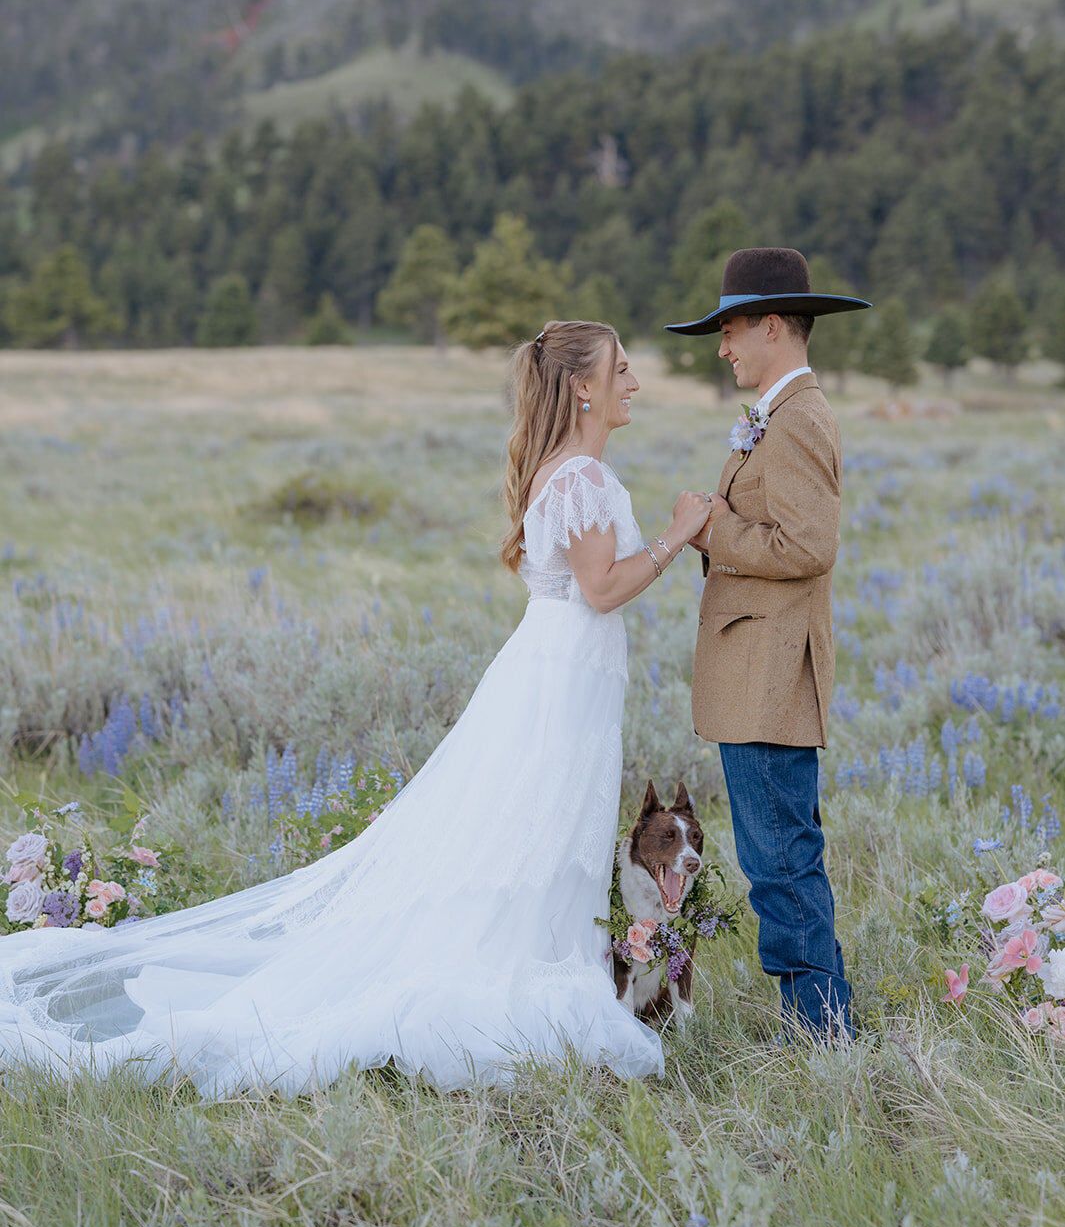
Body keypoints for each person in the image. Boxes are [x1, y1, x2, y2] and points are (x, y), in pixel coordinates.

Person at [0, 321, 710, 1095]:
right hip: (561, 677)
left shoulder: (566, 472)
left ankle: (542, 957)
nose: (634, 383)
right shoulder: (581, 478)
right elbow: (603, 589)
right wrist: (678, 533)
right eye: (622, 369)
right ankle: (523, 976)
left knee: (537, 830)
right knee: (541, 828)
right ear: (583, 387)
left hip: (557, 671)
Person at [665, 249, 871, 1039]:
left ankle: (822, 1029)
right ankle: (816, 1021)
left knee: (780, 864)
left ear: (773, 327)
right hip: (755, 673)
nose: (722, 348)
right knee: (777, 860)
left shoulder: (797, 419)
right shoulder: (779, 414)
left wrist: (712, 528)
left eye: (730, 330)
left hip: (769, 677)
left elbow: (806, 546)